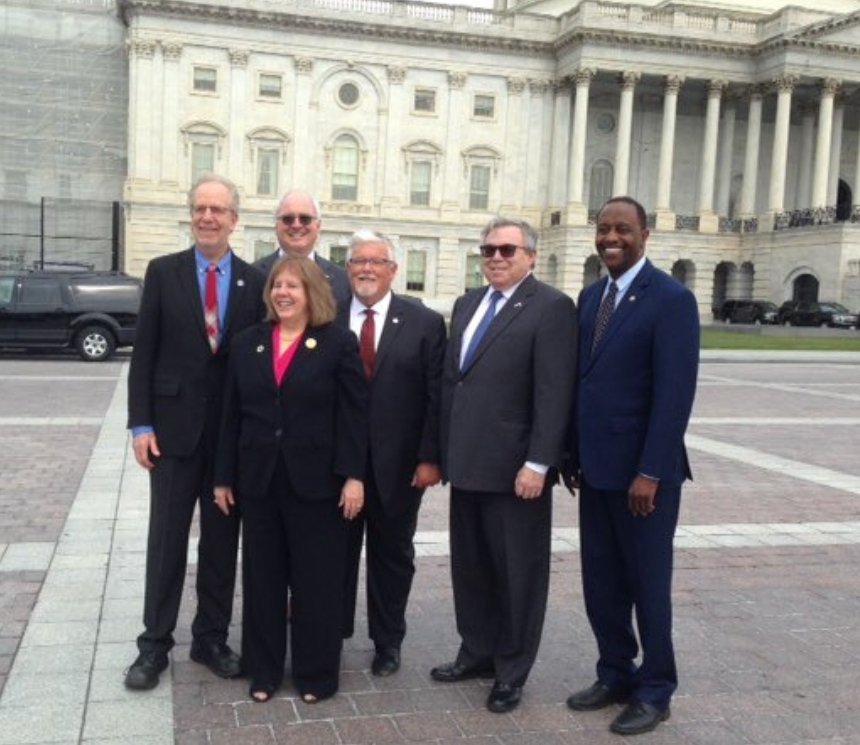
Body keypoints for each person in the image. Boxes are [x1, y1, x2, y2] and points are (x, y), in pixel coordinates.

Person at [124, 173, 266, 690]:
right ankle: (154, 645)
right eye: (200, 208)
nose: (208, 217)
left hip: (228, 439)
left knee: (221, 544)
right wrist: (141, 424)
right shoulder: (163, 272)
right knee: (166, 541)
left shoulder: (253, 281)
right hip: (172, 435)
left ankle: (210, 638)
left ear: (234, 219)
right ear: (191, 215)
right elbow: (144, 352)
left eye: (217, 210)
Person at [431, 216, 578, 713]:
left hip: (516, 471)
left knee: (518, 574)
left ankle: (511, 670)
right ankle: (477, 652)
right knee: (471, 568)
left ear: (530, 256)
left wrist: (539, 462)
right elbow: (455, 380)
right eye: (489, 249)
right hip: (466, 462)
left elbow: (554, 392)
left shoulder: (551, 308)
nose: (495, 257)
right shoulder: (468, 303)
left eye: (507, 249)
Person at [564, 196, 699, 736]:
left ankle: (656, 689)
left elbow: (674, 395)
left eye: (622, 228)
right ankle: (614, 673)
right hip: (595, 469)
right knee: (602, 584)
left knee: (647, 585)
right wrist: (572, 453)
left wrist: (651, 471)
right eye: (603, 228)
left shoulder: (672, 299)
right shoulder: (591, 296)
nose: (611, 238)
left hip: (645, 478)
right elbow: (584, 381)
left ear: (646, 234)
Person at [213, 255, 368, 704]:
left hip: (318, 484)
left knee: (316, 582)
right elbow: (231, 416)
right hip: (259, 482)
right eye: (277, 286)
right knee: (262, 580)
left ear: (311, 294)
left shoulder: (338, 343)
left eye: (293, 286)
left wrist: (354, 477)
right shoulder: (248, 343)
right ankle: (263, 671)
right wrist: (223, 476)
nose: (283, 293)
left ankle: (316, 674)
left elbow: (354, 417)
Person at [339, 229, 446, 677]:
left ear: (393, 270)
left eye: (376, 261)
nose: (366, 268)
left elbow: (436, 396)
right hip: (335, 466)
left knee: (392, 558)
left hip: (399, 467)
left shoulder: (423, 323)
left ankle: (387, 642)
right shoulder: (326, 316)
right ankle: (331, 634)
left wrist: (430, 457)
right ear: (348, 269)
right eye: (358, 261)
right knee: (334, 556)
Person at [254, 190, 350, 307]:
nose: (296, 225)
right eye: (288, 219)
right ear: (276, 226)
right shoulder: (253, 276)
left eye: (305, 219)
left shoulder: (343, 281)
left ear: (318, 226)